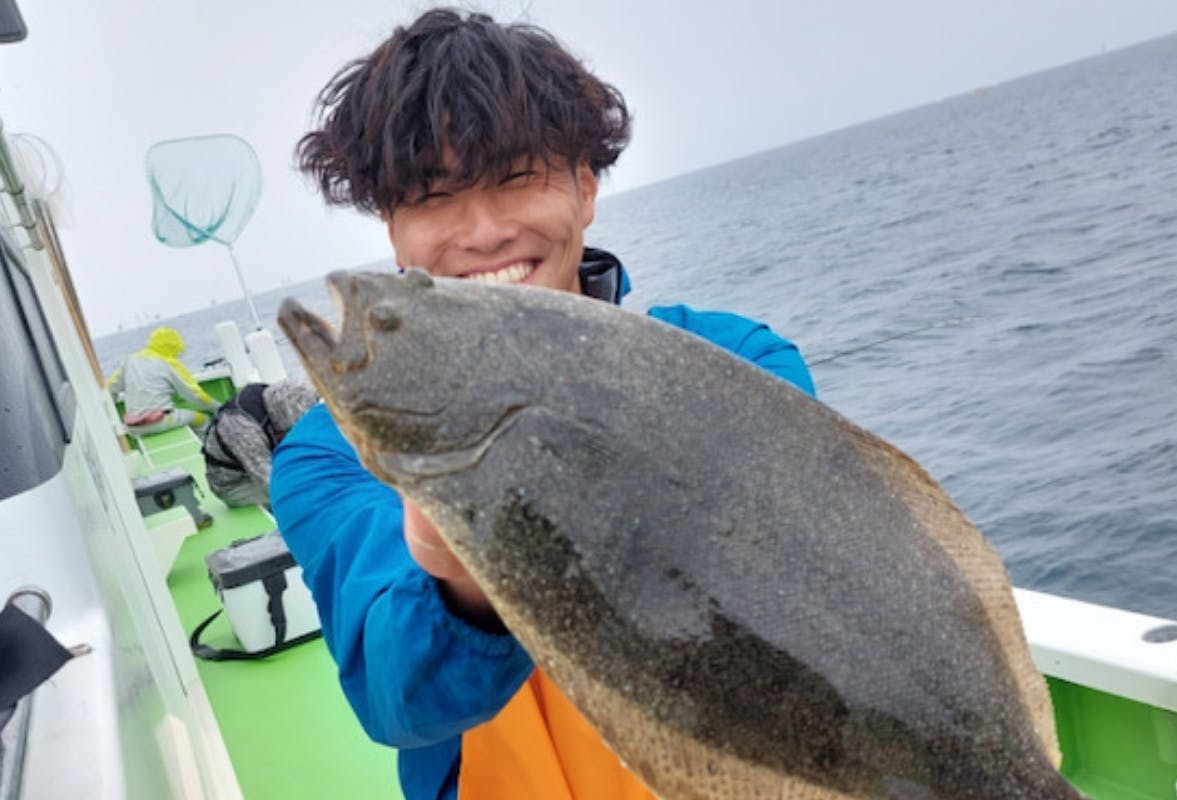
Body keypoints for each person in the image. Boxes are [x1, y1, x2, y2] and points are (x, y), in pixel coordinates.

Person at [270, 9, 816, 800]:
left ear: (586, 187)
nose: (484, 231)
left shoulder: (737, 363)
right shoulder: (332, 453)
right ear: (392, 227)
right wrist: (462, 576)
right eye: (433, 194)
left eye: (517, 177)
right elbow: (396, 696)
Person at [201, 379, 318, 509]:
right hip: (237, 484)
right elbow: (268, 480)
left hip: (269, 463)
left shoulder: (279, 396)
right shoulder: (242, 429)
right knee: (305, 498)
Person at [106, 326, 220, 436]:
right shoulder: (169, 362)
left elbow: (110, 387)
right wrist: (218, 408)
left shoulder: (131, 360)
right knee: (203, 420)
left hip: (133, 427)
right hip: (159, 421)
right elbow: (195, 396)